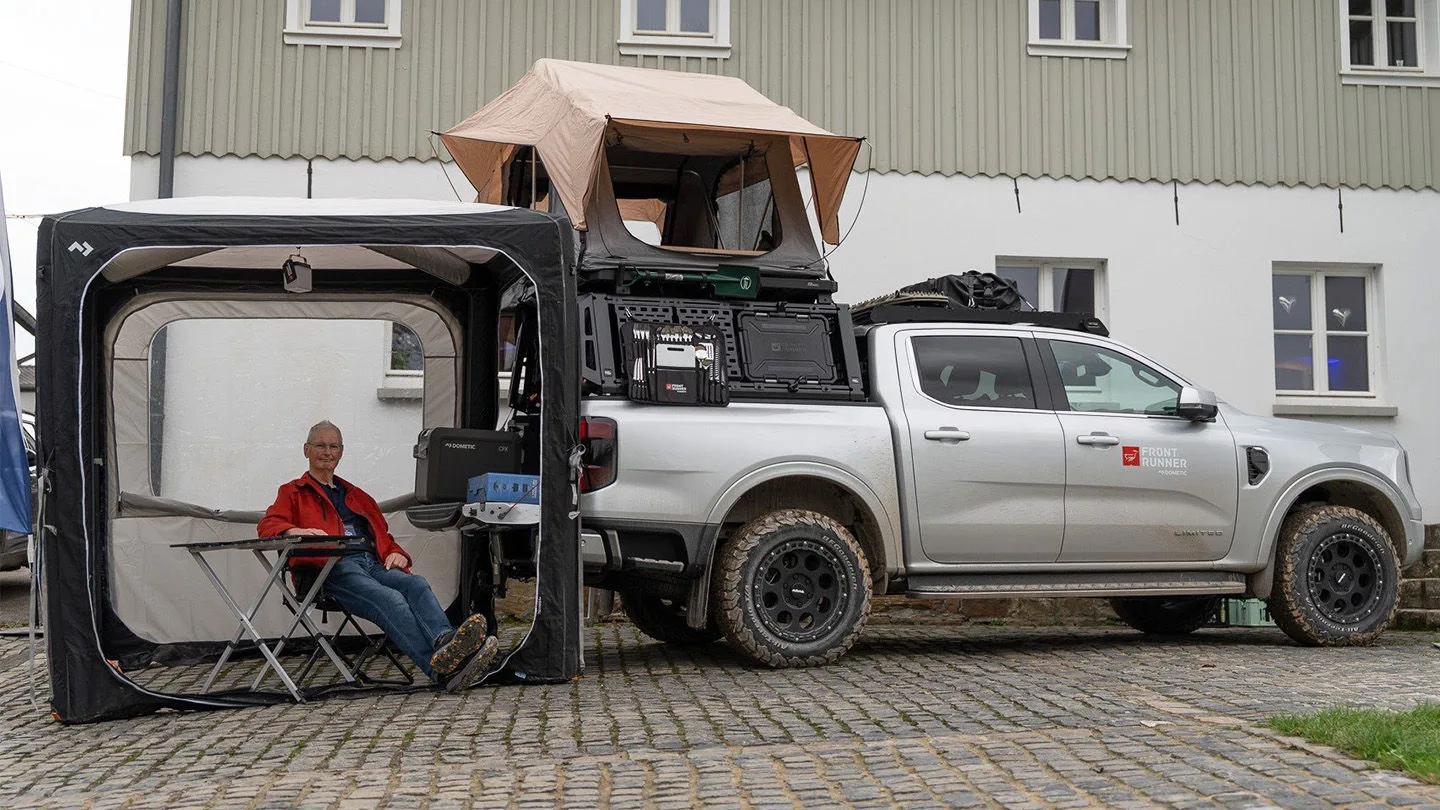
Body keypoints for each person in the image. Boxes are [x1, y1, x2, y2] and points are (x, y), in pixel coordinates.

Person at [258, 420, 498, 692]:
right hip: (330, 570)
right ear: (306, 450)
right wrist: (296, 529)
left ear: (341, 452)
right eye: (320, 446)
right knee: (391, 599)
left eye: (333, 446)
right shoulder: (292, 492)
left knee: (415, 584)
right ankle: (441, 671)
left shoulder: (357, 495)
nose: (327, 452)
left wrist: (396, 553)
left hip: (372, 563)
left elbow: (385, 537)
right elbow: (267, 527)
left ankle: (446, 643)